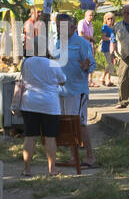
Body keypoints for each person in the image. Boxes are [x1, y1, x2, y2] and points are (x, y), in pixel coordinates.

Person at [54, 13, 96, 168]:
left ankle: (90, 158)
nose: (60, 29)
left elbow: (92, 63)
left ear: (72, 27)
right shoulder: (58, 43)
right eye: (58, 27)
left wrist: (87, 67)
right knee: (67, 125)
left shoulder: (81, 43)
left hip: (77, 91)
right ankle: (74, 157)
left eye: (63, 27)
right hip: (61, 91)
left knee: (81, 124)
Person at [20, 45, 66, 177]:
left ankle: (27, 169)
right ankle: (52, 169)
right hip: (49, 105)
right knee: (50, 138)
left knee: (30, 137)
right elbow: (63, 80)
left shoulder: (26, 63)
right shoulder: (53, 64)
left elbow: (23, 79)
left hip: (29, 103)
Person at [99, 12, 116, 86]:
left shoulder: (113, 27)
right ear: (105, 19)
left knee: (112, 64)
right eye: (108, 18)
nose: (110, 20)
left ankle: (108, 79)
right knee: (109, 64)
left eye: (111, 18)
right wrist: (111, 39)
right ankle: (103, 77)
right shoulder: (105, 27)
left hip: (113, 47)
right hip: (106, 47)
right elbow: (103, 37)